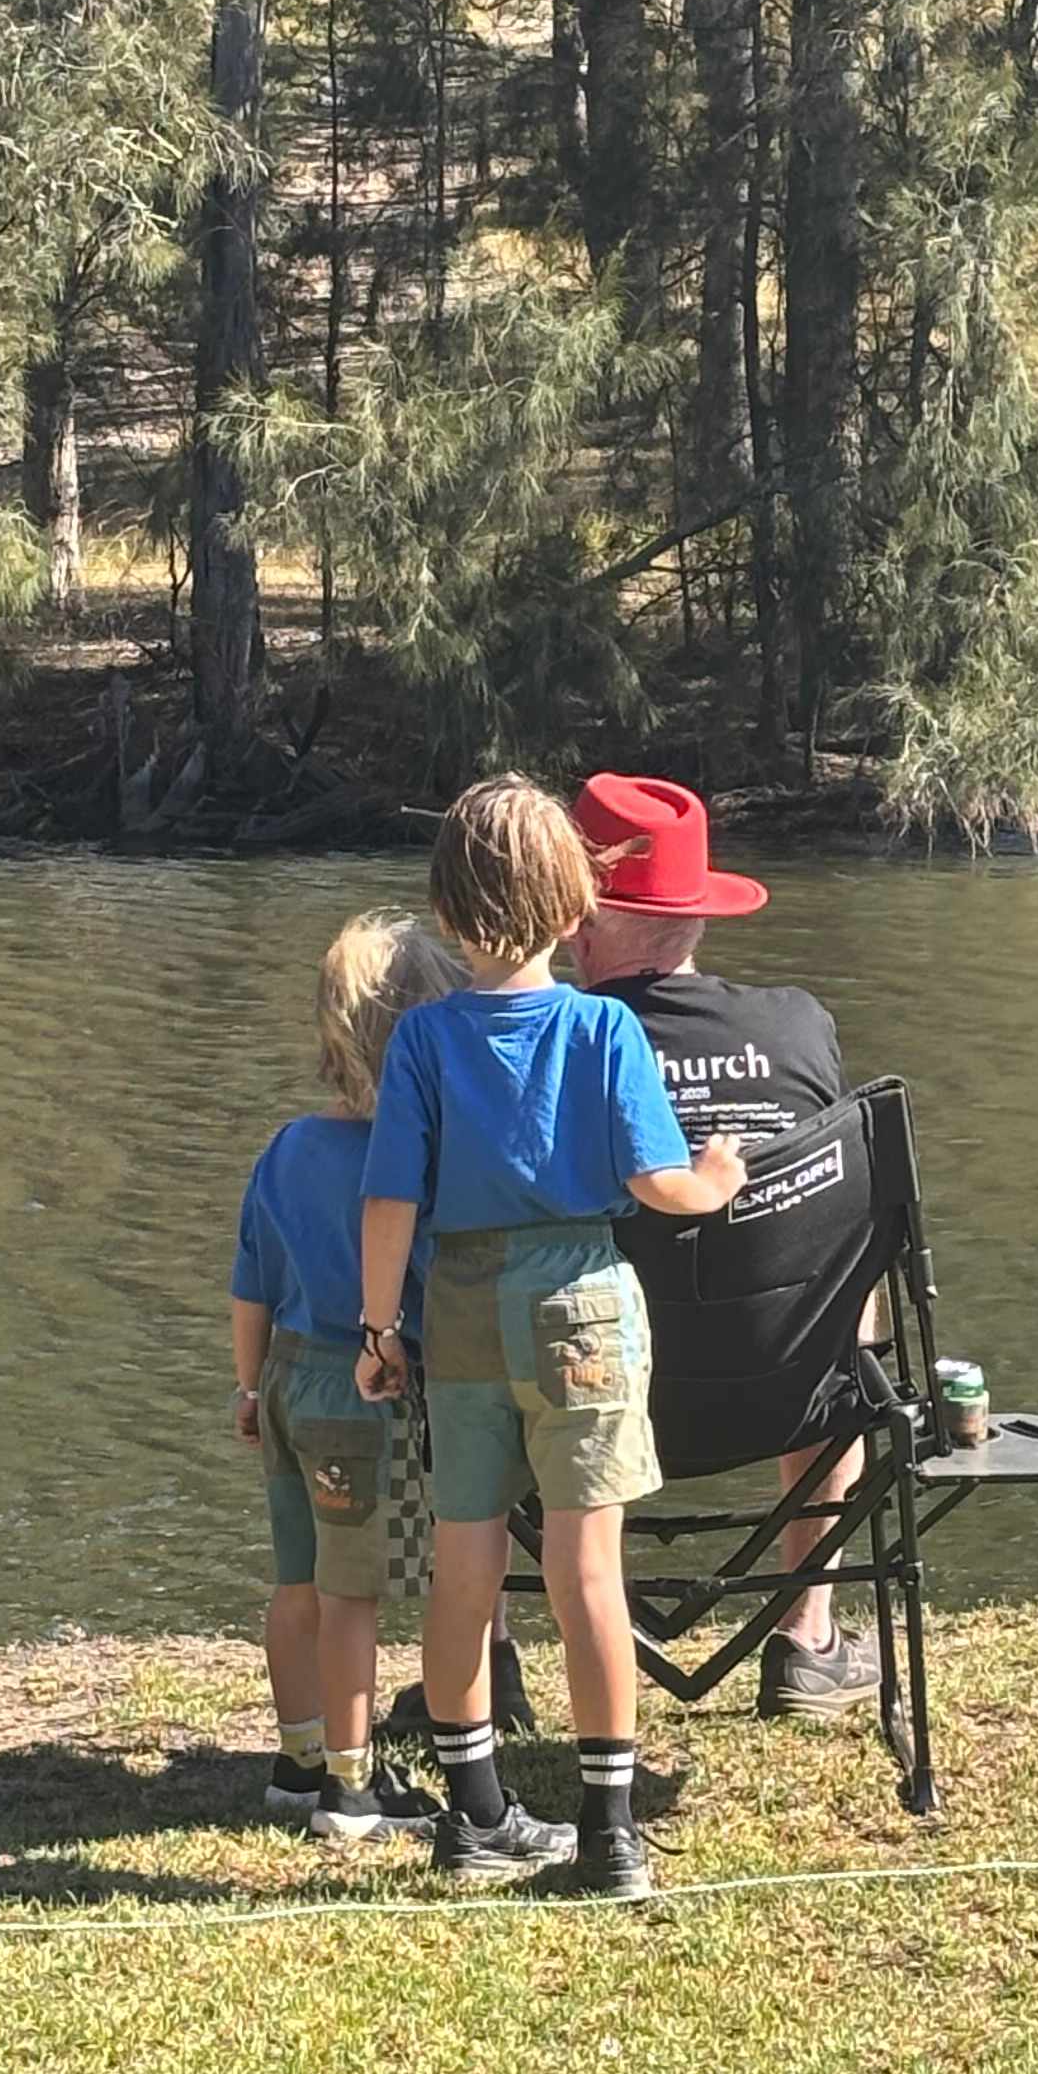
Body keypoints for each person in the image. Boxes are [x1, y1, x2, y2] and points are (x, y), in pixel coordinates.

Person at [358, 774, 747, 1900]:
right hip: (579, 1295)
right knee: (587, 1567)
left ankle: (474, 1811)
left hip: (463, 1304)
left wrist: (380, 1327)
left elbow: (390, 1200)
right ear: (577, 904)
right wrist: (715, 1181)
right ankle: (610, 1829)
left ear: (443, 912)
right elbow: (654, 1181)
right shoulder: (603, 1026)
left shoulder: (425, 1043)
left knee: (464, 1559)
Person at [568, 770, 877, 1724]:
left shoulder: (548, 1043)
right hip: (784, 1389)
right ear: (696, 913)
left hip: (586, 1389)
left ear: (576, 913)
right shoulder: (797, 1025)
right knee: (841, 1304)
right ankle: (807, 1637)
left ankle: (488, 1659)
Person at [229, 911, 458, 1841]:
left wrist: (246, 1391)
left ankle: (297, 1758)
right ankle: (354, 1790)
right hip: (357, 1393)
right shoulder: (411, 1162)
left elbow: (248, 1282)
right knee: (351, 1593)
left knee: (297, 1579)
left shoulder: (284, 1148)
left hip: (283, 1380)